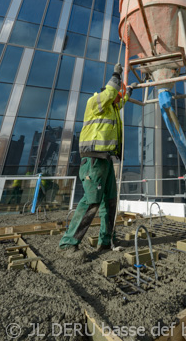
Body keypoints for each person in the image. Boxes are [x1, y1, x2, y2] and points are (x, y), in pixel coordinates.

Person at [59, 63, 136, 254]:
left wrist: (130, 92)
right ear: (108, 92)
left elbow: (120, 101)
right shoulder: (95, 103)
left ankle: (106, 241)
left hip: (106, 160)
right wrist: (116, 74)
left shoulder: (112, 109)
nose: (118, 100)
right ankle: (68, 244)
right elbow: (111, 94)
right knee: (92, 200)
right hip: (93, 160)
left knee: (110, 202)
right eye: (117, 95)